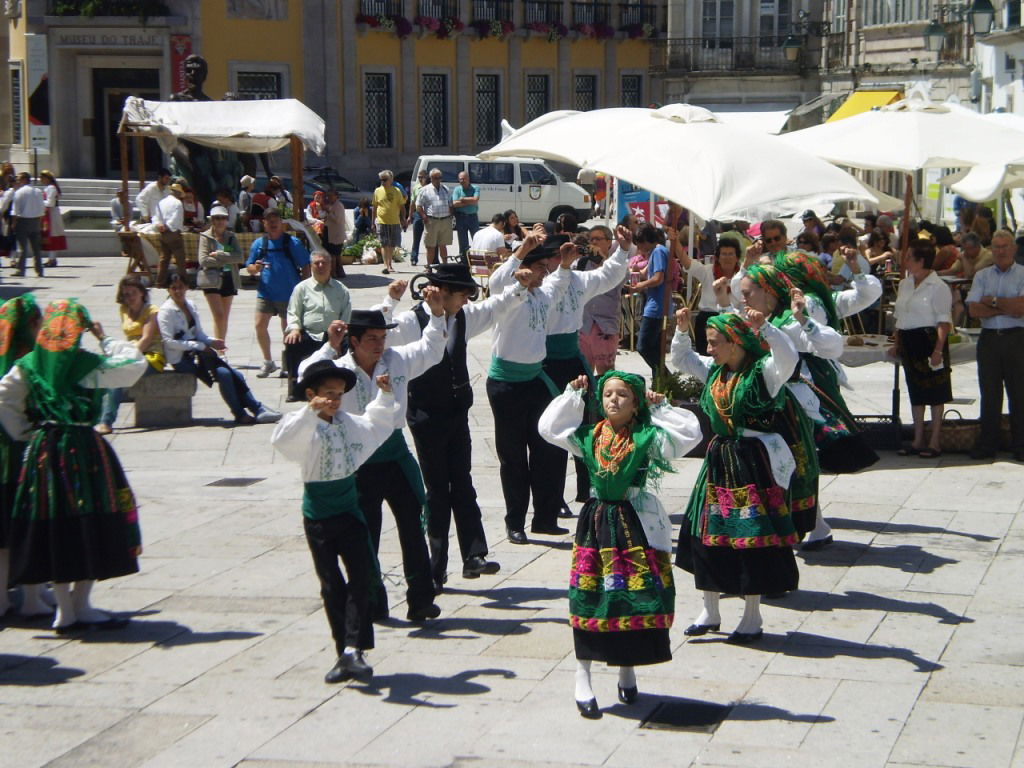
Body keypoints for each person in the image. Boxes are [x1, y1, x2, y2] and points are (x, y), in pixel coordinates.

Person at [538, 370, 702, 718]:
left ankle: (627, 670)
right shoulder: (587, 437)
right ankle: (582, 676)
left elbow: (690, 435)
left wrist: (662, 409)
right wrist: (572, 395)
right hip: (597, 525)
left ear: (636, 402)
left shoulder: (648, 438)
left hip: (634, 524)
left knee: (632, 598)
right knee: (589, 596)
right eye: (608, 394)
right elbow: (549, 428)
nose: (613, 400)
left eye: (623, 395)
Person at [375, 263, 528, 592]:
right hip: (426, 414)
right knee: (436, 490)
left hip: (457, 410)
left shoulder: (463, 316)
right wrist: (391, 299)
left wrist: (519, 288)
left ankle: (474, 555)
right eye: (463, 294)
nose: (467, 300)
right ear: (442, 292)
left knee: (462, 481)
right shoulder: (412, 321)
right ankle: (436, 565)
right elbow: (380, 334)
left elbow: (494, 307)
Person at [0, 299, 147, 633]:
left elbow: (4, 398)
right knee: (91, 521)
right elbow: (132, 364)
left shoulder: (28, 364)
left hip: (43, 452)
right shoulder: (86, 364)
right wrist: (105, 339)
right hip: (83, 451)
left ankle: (64, 610)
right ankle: (81, 605)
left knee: (54, 523)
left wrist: (25, 433)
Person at [297, 296, 446, 623]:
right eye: (372, 339)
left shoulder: (397, 360)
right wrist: (328, 345)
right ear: (354, 341)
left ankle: (421, 599)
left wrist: (436, 315)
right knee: (366, 536)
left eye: (383, 338)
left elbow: (432, 350)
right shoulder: (340, 370)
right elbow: (304, 374)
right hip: (359, 462)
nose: (380, 345)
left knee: (412, 527)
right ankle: (373, 602)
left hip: (395, 455)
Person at [670, 309, 800, 643]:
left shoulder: (764, 373)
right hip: (718, 461)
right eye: (708, 344)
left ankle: (752, 618)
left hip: (750, 463)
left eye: (714, 343)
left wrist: (766, 327)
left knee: (750, 538)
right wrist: (682, 331)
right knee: (705, 535)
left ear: (735, 343)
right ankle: (710, 611)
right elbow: (683, 358)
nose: (709, 350)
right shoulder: (716, 371)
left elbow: (788, 357)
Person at [271, 362, 399, 684]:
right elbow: (282, 440)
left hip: (349, 511)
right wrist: (308, 413)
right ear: (312, 394)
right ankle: (343, 649)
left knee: (360, 578)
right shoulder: (304, 425)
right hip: (318, 518)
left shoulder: (346, 423)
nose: (335, 401)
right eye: (329, 394)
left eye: (340, 395)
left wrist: (384, 396)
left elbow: (375, 425)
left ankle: (354, 649)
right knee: (331, 585)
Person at [484, 235, 574, 544]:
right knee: (513, 457)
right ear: (523, 269)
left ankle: (546, 519)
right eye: (537, 268)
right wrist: (521, 251)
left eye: (543, 269)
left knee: (548, 449)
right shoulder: (508, 295)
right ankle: (515, 523)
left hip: (536, 380)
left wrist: (563, 264)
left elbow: (559, 283)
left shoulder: (542, 296)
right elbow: (497, 280)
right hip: (506, 384)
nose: (542, 274)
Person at [737, 264, 825, 543]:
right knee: (777, 470)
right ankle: (805, 526)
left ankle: (798, 527)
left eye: (748, 293)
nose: (743, 300)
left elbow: (822, 348)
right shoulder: (754, 317)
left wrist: (804, 321)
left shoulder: (789, 321)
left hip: (788, 405)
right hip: (764, 401)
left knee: (792, 468)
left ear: (768, 292)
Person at [158, 273, 281, 425]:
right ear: (168, 290)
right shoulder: (166, 311)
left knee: (231, 374)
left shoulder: (190, 305)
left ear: (187, 287)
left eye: (181, 287)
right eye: (173, 288)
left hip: (197, 353)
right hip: (181, 359)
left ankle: (255, 409)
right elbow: (168, 341)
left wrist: (212, 342)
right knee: (226, 375)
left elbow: (198, 334)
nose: (178, 291)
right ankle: (248, 411)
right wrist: (200, 346)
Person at [0, 294, 48, 619]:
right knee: (20, 524)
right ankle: (26, 594)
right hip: (15, 455)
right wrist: (25, 434)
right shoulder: (27, 363)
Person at [889, 240, 953, 459]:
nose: (905, 261)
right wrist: (897, 342)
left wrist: (937, 350)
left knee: (936, 393)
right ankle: (917, 439)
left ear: (921, 261)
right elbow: (900, 316)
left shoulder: (939, 287)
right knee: (916, 392)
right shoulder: (906, 284)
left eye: (909, 258)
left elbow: (944, 322)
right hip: (909, 340)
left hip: (929, 341)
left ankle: (934, 440)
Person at [965, 230, 1024, 460]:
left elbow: (1021, 310)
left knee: (1019, 393)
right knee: (989, 394)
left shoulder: (1022, 274)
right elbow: (974, 310)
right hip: (989, 339)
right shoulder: (982, 276)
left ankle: (1020, 445)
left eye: (1005, 246)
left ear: (1014, 249)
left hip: (1016, 338)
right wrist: (1007, 306)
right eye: (996, 247)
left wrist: (993, 301)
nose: (1000, 251)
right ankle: (988, 444)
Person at [245, 208, 311, 378]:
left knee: (288, 331)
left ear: (281, 223)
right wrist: (256, 268)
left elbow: (306, 265)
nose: (273, 223)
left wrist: (304, 287)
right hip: (266, 292)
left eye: (276, 219)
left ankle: (288, 362)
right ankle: (268, 362)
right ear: (264, 224)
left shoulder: (292, 243)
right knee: (259, 325)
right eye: (269, 220)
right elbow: (249, 268)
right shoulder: (259, 244)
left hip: (289, 293)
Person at [97, 277, 166, 434]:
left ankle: (106, 421)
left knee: (117, 374)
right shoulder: (124, 310)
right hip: (130, 353)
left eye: (133, 293)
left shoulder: (151, 311)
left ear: (142, 293)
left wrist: (125, 358)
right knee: (101, 368)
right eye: (126, 294)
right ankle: (94, 415)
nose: (130, 297)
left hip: (151, 356)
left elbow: (146, 339)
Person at [284, 250, 352, 400]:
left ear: (330, 265)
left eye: (324, 263)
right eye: (317, 263)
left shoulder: (342, 290)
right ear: (311, 266)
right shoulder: (301, 288)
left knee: (352, 344)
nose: (320, 266)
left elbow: (346, 316)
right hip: (309, 333)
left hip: (334, 334)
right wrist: (294, 329)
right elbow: (293, 312)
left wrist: (341, 334)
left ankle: (347, 382)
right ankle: (295, 386)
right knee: (292, 342)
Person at [673, 233, 740, 354]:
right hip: (707, 320)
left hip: (731, 321)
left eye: (731, 254)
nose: (727, 257)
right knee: (706, 359)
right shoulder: (708, 271)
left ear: (737, 257)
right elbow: (686, 262)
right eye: (724, 254)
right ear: (718, 258)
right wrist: (675, 241)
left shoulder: (742, 277)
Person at [578, 225, 630, 376]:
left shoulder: (617, 264)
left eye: (598, 239)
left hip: (605, 326)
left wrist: (603, 260)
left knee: (605, 373)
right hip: (584, 325)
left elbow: (621, 281)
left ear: (609, 242)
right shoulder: (583, 264)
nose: (593, 242)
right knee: (583, 374)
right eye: (591, 239)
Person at [627, 224, 671, 378]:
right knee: (654, 347)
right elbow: (645, 273)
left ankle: (664, 374)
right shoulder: (655, 253)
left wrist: (640, 286)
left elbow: (658, 278)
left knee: (643, 346)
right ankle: (660, 380)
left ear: (645, 240)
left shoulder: (658, 251)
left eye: (638, 243)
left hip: (656, 306)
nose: (638, 247)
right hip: (656, 304)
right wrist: (634, 272)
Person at [197, 205, 244, 344]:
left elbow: (240, 257)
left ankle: (221, 346)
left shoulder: (231, 237)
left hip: (229, 277)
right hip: (211, 278)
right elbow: (203, 260)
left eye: (223, 218)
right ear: (212, 220)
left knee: (224, 317)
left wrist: (219, 255)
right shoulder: (205, 236)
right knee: (218, 315)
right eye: (217, 218)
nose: (220, 221)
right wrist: (227, 258)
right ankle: (219, 347)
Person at [153, 182, 187, 288]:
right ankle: (184, 281)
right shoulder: (177, 203)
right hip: (173, 232)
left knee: (164, 258)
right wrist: (167, 226)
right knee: (180, 258)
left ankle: (159, 281)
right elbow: (176, 218)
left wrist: (160, 225)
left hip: (163, 232)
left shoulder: (161, 202)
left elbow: (155, 217)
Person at [11, 172, 45, 278]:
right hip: (35, 221)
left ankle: (21, 270)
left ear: (24, 180)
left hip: (23, 221)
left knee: (23, 248)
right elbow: (42, 208)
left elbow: (16, 210)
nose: (18, 181)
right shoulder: (38, 192)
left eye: (19, 179)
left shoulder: (19, 192)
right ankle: (39, 270)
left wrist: (13, 223)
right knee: (36, 248)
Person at [372, 170, 406, 275]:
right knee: (384, 243)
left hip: (394, 221)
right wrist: (373, 221)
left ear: (391, 180)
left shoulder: (397, 191)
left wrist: (403, 219)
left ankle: (390, 263)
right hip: (381, 221)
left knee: (391, 244)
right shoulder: (377, 191)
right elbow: (374, 207)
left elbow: (402, 207)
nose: (383, 182)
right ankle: (385, 265)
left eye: (385, 179)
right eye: (381, 180)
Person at [417, 168, 454, 265]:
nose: (438, 180)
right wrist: (424, 217)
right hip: (431, 221)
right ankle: (429, 267)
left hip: (445, 220)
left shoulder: (445, 189)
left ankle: (445, 265)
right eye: (436, 178)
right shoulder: (424, 190)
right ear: (431, 178)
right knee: (430, 246)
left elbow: (450, 204)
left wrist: (451, 216)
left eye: (440, 177)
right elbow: (418, 206)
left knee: (443, 245)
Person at [39, 171, 66, 268]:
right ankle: (52, 258)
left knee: (52, 236)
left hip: (51, 214)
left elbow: (50, 203)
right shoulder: (50, 187)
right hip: (49, 213)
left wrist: (39, 201)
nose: (40, 180)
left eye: (42, 178)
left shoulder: (51, 188)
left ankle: (52, 259)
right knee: (50, 236)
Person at [452, 170, 481, 256]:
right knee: (462, 241)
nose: (462, 181)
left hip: (473, 217)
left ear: (468, 179)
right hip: (461, 217)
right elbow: (455, 204)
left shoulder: (475, 188)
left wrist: (462, 199)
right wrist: (470, 201)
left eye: (464, 179)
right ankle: (464, 260)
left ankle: (478, 258)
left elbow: (475, 200)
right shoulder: (457, 189)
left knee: (477, 239)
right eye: (460, 179)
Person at [321, 188, 348, 278]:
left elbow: (337, 219)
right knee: (333, 253)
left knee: (334, 254)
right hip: (331, 232)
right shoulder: (332, 205)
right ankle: (337, 272)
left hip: (336, 234)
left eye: (331, 196)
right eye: (328, 196)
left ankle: (333, 273)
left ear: (336, 196)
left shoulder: (338, 205)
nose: (329, 198)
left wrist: (328, 211)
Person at [409, 170, 429, 266]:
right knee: (416, 238)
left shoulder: (430, 187)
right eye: (419, 177)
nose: (420, 179)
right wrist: (410, 216)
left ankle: (432, 259)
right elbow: (412, 203)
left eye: (422, 177)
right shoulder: (416, 188)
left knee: (430, 238)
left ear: (427, 177)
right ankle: (414, 257)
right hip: (417, 214)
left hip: (428, 214)